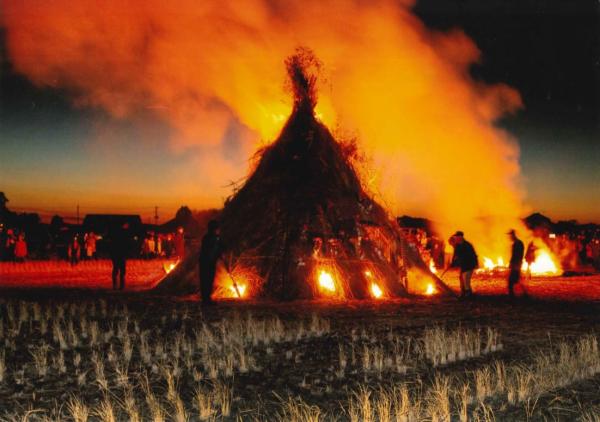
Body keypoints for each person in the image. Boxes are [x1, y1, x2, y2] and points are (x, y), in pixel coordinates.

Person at [199, 220, 223, 305]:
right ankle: (206, 300)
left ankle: (206, 298)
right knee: (207, 280)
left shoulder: (209, 237)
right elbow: (211, 250)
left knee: (207, 281)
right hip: (207, 262)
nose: (218, 230)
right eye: (217, 228)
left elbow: (218, 249)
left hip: (206, 262)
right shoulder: (211, 238)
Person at [449, 231, 478, 298]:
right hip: (463, 265)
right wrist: (452, 263)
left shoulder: (467, 245)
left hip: (469, 264)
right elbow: (455, 255)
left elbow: (473, 255)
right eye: (455, 237)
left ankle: (468, 295)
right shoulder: (458, 246)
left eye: (457, 236)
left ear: (461, 237)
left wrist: (475, 264)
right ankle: (464, 293)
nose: (455, 238)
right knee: (462, 279)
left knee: (465, 279)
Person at [109, 222, 130, 290]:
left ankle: (116, 285)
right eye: (127, 225)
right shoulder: (124, 233)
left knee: (116, 269)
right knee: (121, 270)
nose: (128, 226)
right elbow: (126, 245)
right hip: (120, 254)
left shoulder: (116, 233)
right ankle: (120, 285)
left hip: (116, 254)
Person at [508, 229, 525, 298]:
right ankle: (524, 293)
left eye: (510, 236)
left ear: (513, 235)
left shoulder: (517, 243)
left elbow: (515, 255)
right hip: (517, 264)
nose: (509, 237)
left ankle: (512, 296)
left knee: (511, 281)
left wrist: (512, 263)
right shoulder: (518, 242)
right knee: (516, 280)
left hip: (516, 264)